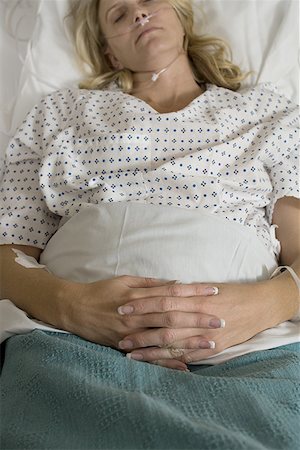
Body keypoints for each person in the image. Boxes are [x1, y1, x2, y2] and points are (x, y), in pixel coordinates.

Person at [0, 0, 299, 448]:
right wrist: (68, 304)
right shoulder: (60, 114)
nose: (138, 13)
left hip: (249, 347)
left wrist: (264, 306)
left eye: (148, 1)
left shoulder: (266, 114)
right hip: (68, 341)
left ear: (182, 18)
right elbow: (9, 251)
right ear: (112, 54)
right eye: (118, 15)